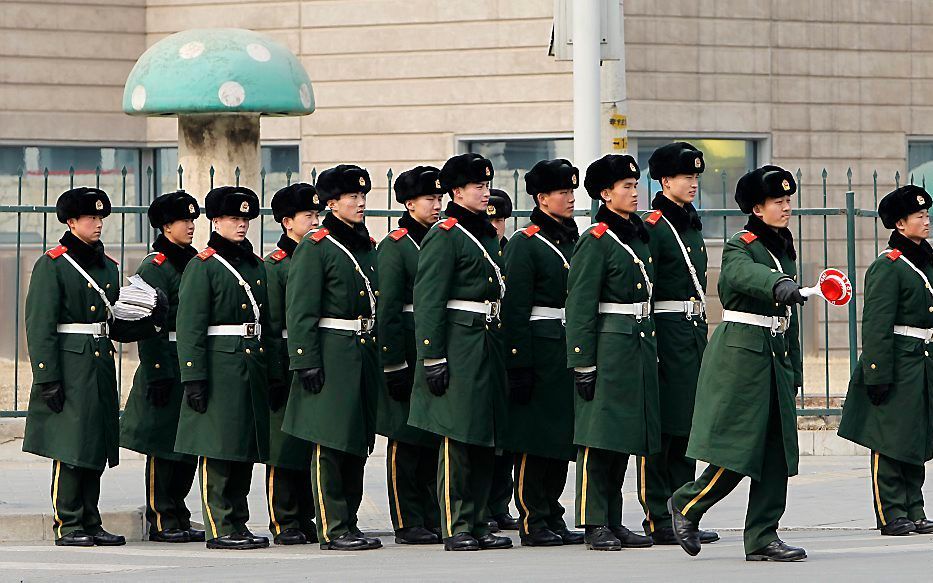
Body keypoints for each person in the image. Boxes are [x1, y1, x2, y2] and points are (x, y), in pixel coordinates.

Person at [668, 165, 807, 562]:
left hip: (775, 352)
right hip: (743, 354)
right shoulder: (740, 244)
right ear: (757, 208)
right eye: (777, 202)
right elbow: (742, 275)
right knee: (739, 448)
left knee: (776, 451)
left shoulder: (782, 246)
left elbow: (788, 319)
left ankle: (763, 536)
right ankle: (687, 504)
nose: (786, 208)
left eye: (788, 201)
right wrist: (777, 285)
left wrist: (794, 368)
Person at [24, 187, 165, 546]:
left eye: (101, 217)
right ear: (71, 222)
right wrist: (47, 376)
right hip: (70, 365)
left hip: (99, 361)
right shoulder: (53, 264)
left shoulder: (107, 267)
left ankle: (90, 518)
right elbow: (39, 325)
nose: (98, 223)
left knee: (96, 441)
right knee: (72, 444)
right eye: (91, 217)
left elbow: (114, 322)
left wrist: (152, 322)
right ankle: (68, 523)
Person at [408, 152, 513, 551]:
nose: (485, 193)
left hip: (488, 340)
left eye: (487, 186)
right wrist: (432, 356)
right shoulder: (445, 234)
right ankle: (456, 524)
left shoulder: (484, 232)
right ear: (456, 192)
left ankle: (481, 519)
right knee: (459, 435)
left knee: (486, 436)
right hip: (459, 342)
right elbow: (430, 299)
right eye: (477, 187)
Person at [282, 165, 384, 551]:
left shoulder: (364, 245)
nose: (359, 203)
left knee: (357, 441)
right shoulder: (317, 245)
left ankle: (350, 521)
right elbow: (301, 308)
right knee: (330, 441)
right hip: (330, 350)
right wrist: (305, 359)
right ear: (331, 202)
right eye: (351, 197)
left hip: (362, 350)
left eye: (362, 196)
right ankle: (332, 526)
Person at [174, 186, 276, 550]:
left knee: (245, 448)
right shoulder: (204, 267)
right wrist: (194, 376)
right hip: (220, 366)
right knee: (220, 448)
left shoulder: (256, 266)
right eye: (234, 218)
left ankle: (239, 521)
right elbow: (190, 327)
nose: (242, 225)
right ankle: (220, 525)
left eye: (245, 219)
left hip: (251, 364)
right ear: (215, 221)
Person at [565, 154, 659, 552]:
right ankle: (593, 520)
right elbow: (580, 304)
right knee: (597, 437)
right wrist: (583, 361)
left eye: (636, 186)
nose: (635, 193)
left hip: (636, 342)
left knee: (622, 437)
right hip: (607, 344)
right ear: (605, 194)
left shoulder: (636, 235)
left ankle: (615, 519)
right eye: (626, 187)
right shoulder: (596, 240)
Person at [838, 185, 933, 537]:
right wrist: (877, 373)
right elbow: (876, 325)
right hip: (897, 360)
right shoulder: (888, 266)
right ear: (900, 223)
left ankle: (915, 507)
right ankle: (891, 511)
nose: (927, 221)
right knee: (889, 439)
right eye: (919, 217)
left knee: (916, 437)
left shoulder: (925, 260)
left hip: (921, 360)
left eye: (927, 215)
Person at [500, 158, 584, 547]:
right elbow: (514, 309)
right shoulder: (525, 243)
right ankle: (533, 518)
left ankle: (553, 512)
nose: (569, 198)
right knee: (536, 438)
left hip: (565, 346)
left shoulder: (573, 238)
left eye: (571, 191)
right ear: (541, 197)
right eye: (562, 193)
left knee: (560, 438)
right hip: (538, 345)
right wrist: (519, 362)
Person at [638, 143, 718, 545]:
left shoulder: (689, 223)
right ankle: (657, 514)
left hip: (691, 330)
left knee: (687, 423)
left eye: (696, 177)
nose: (693, 184)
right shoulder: (653, 226)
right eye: (686, 177)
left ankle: (683, 509)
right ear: (665, 181)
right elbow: (644, 289)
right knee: (663, 427)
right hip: (663, 332)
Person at [120, 190, 203, 544]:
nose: (190, 226)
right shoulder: (155, 266)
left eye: (192, 220)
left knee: (186, 445)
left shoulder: (196, 261)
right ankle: (161, 515)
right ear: (166, 226)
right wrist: (156, 371)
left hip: (190, 360)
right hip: (166, 361)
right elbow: (149, 323)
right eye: (183, 221)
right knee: (163, 445)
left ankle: (180, 512)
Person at [376, 166, 445, 545]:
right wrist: (392, 362)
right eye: (429, 199)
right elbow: (387, 309)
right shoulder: (396, 246)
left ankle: (433, 514)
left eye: (439, 199)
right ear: (409, 203)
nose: (437, 205)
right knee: (405, 439)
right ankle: (407, 519)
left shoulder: (441, 238)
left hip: (434, 349)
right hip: (407, 350)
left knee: (432, 437)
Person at [262, 182, 324, 545]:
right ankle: (284, 519)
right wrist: (275, 373)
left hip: (316, 356)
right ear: (287, 222)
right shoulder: (276, 266)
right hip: (286, 360)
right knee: (283, 446)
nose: (315, 222)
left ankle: (307, 515)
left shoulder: (318, 255)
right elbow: (271, 327)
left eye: (317, 215)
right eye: (308, 216)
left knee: (309, 443)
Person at [483, 187, 519, 531]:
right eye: (490, 217)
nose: (495, 224)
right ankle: (483, 506)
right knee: (484, 434)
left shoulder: (509, 252)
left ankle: (500, 504)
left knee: (506, 437)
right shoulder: (481, 251)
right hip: (485, 346)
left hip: (508, 346)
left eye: (500, 218)